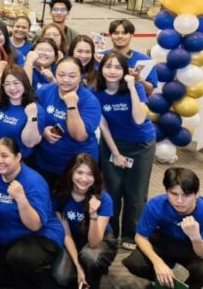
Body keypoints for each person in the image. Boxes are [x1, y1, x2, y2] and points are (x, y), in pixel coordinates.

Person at [123, 168, 203, 289]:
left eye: (187, 195)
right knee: (135, 263)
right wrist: (158, 263)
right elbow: (140, 237)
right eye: (174, 194)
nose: (179, 201)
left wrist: (195, 237)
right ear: (166, 191)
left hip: (192, 247)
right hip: (164, 240)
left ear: (197, 193)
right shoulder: (156, 204)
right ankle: (161, 280)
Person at [95, 51, 156, 251]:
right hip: (112, 144)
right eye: (108, 66)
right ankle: (111, 232)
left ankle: (131, 233)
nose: (112, 71)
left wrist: (131, 87)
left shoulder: (135, 87)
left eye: (118, 67)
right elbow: (103, 125)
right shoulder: (96, 92)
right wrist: (116, 153)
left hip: (141, 144)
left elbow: (139, 119)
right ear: (101, 69)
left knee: (135, 191)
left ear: (124, 70)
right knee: (112, 189)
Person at [0, 138, 64, 288]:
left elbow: (35, 225)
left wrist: (21, 198)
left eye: (5, 156)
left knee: (20, 259)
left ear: (18, 157)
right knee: (0, 279)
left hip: (40, 235)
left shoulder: (34, 182)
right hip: (7, 236)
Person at [51, 154, 118, 289]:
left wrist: (93, 214)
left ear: (96, 176)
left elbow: (94, 243)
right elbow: (67, 235)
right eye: (79, 172)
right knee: (61, 276)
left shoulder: (103, 199)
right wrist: (78, 266)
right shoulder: (61, 195)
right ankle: (80, 272)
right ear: (71, 173)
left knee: (89, 257)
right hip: (73, 239)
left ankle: (93, 277)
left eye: (90, 174)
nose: (84, 179)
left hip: (99, 240)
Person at [34, 57, 102, 186]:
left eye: (72, 76)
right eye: (61, 75)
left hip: (77, 168)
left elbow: (79, 136)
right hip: (44, 162)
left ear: (80, 77)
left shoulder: (89, 101)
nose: (65, 80)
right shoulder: (44, 91)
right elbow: (31, 116)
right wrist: (42, 130)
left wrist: (72, 105)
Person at [106, 18, 158, 94]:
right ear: (110, 36)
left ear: (131, 35)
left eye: (124, 33)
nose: (120, 36)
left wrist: (138, 79)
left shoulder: (144, 60)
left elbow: (150, 91)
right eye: (116, 33)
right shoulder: (101, 57)